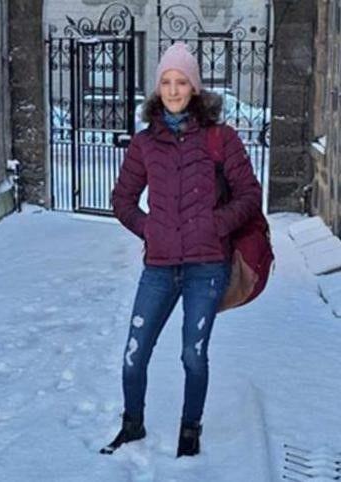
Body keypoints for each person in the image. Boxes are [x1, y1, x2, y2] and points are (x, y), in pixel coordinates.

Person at [101, 42, 262, 457]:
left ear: (195, 87)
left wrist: (214, 225)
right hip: (159, 266)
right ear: (158, 88)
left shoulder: (219, 138)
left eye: (182, 81)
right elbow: (121, 200)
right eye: (166, 82)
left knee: (194, 354)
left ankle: (190, 431)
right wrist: (149, 229)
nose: (173, 90)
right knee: (134, 353)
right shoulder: (144, 144)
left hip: (207, 268)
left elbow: (249, 195)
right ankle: (131, 424)